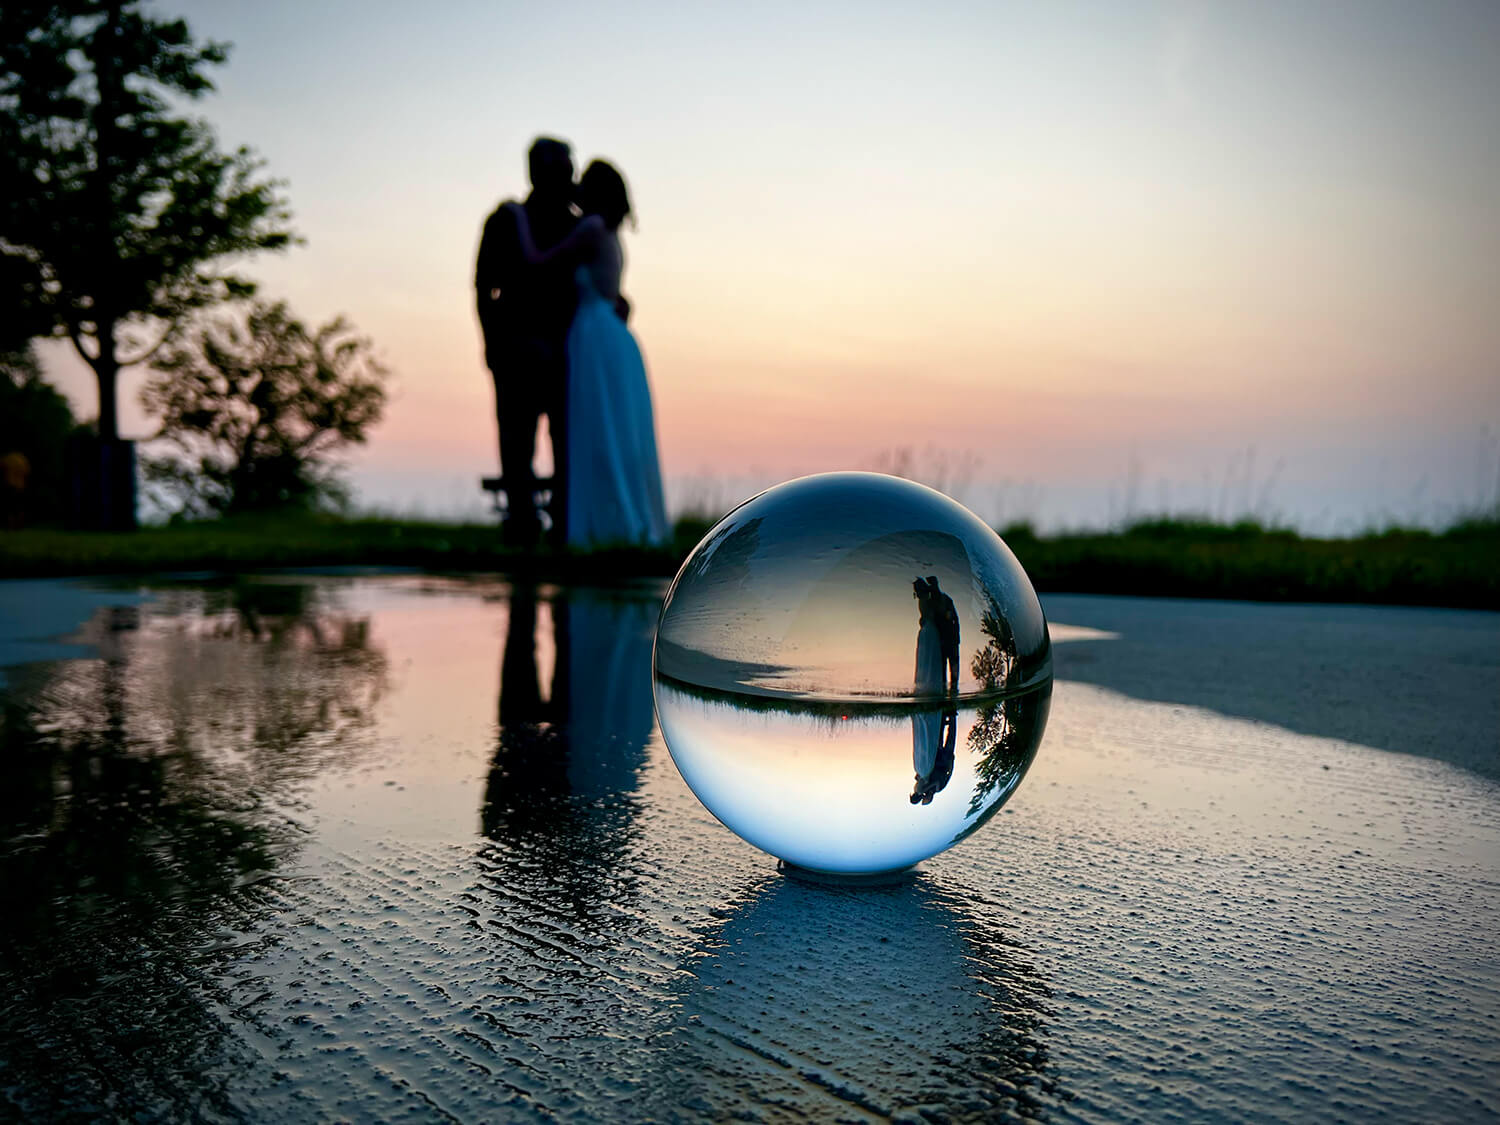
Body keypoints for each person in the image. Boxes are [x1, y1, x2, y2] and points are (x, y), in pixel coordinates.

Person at [504, 159, 669, 547]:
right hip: (611, 338)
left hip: (594, 338)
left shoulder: (591, 228)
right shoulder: (610, 232)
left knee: (597, 433)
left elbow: (537, 261)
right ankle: (616, 523)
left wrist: (518, 219)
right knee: (610, 433)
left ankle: (603, 527)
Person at [475, 137, 579, 545]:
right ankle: (523, 527)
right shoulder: (505, 220)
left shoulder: (576, 222)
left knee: (565, 444)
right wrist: (493, 345)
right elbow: (484, 287)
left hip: (565, 355)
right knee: (518, 445)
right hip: (518, 352)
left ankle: (562, 528)